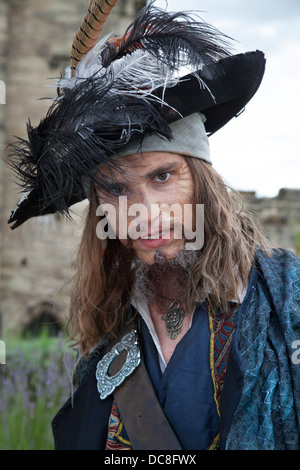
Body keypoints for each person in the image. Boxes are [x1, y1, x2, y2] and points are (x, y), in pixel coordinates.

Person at [8, 1, 300, 450]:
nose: (145, 212)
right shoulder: (107, 339)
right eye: (116, 190)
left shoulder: (289, 309)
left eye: (162, 176)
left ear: (202, 181)